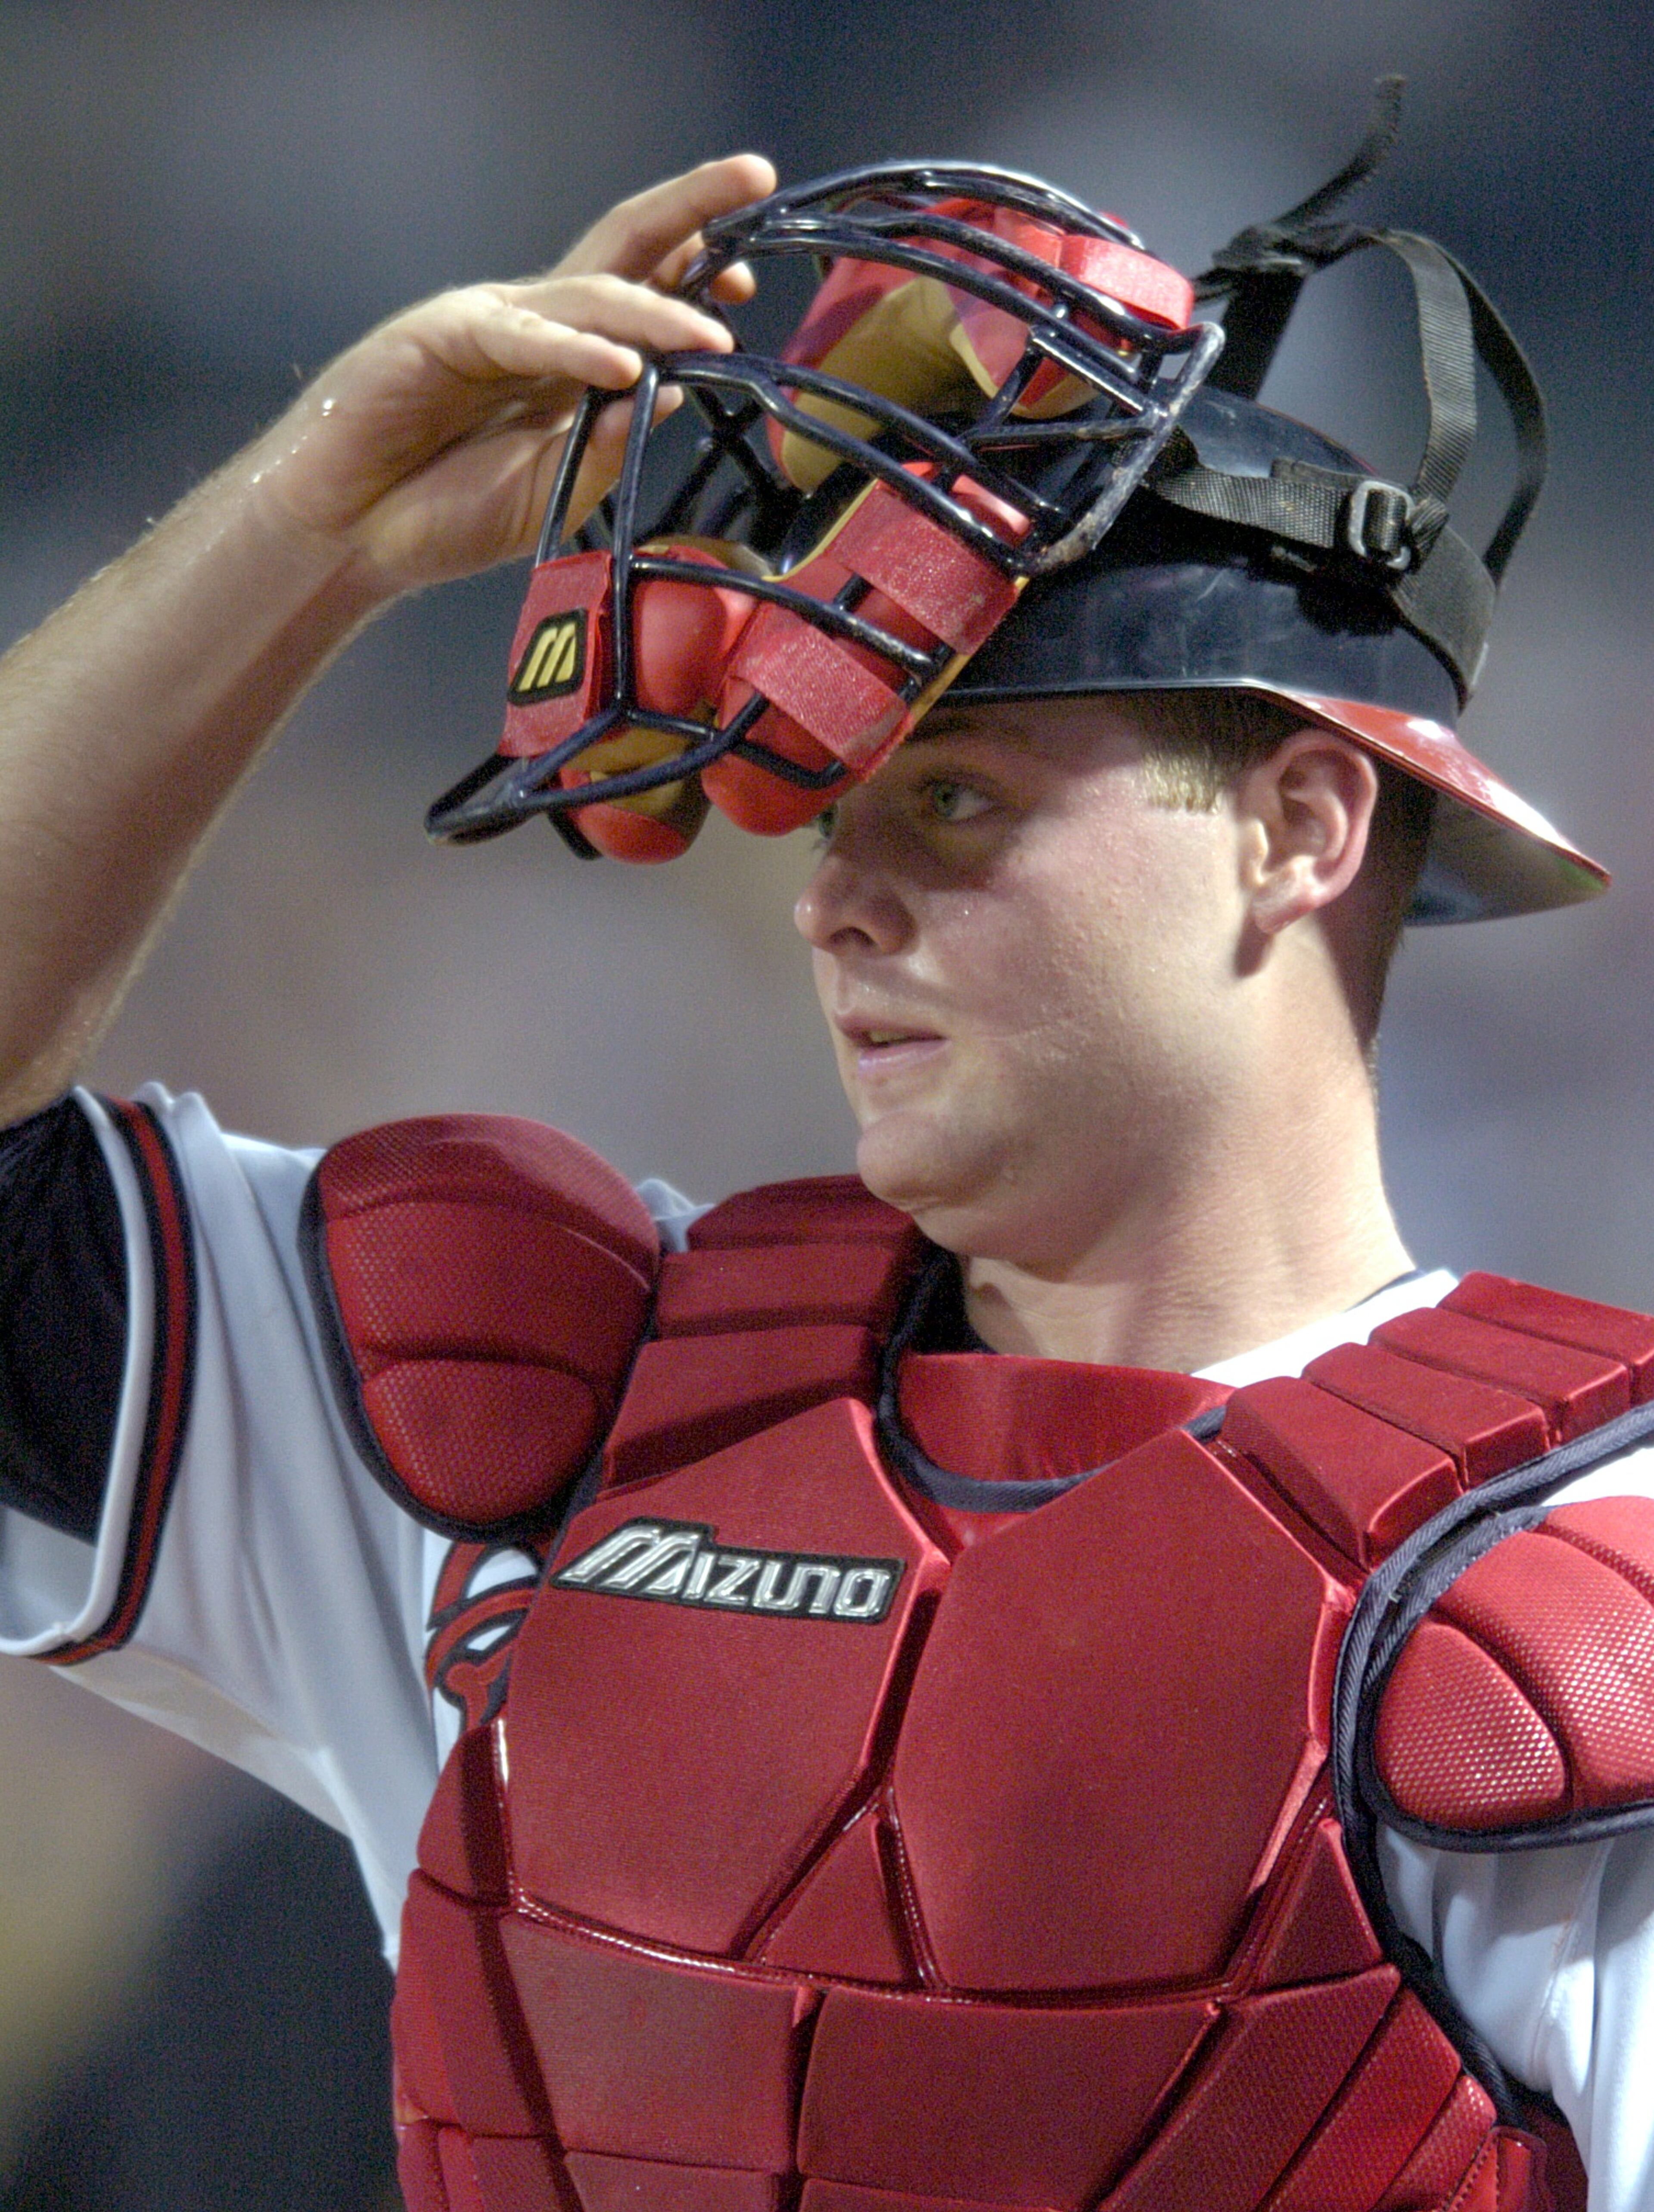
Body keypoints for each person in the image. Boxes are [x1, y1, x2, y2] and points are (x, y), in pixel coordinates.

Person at [2, 139, 1654, 2212]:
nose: (837, 905)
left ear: (1300, 825)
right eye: (828, 811)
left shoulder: (1589, 1590)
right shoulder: (538, 1419)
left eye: (955, 797)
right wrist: (306, 531)